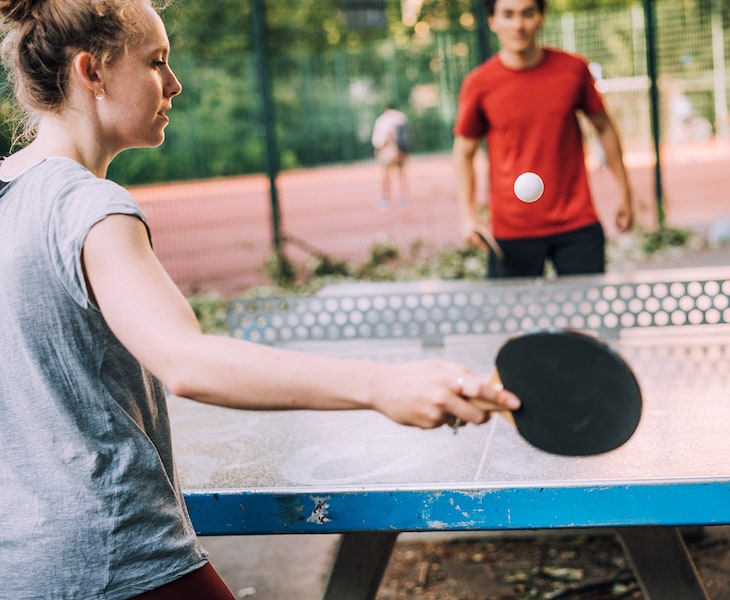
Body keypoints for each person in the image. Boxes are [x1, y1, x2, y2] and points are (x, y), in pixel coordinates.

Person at [0, 1, 520, 598]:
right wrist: (383, 386)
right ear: (91, 72)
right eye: (156, 62)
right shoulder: (91, 208)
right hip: (115, 560)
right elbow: (188, 363)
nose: (174, 83)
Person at [453, 0, 635, 278]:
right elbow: (464, 152)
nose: (518, 24)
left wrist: (625, 193)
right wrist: (468, 215)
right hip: (511, 230)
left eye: (527, 13)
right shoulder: (479, 83)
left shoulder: (573, 69)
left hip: (577, 224)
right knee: (513, 322)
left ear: (540, 17)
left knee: (581, 320)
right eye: (508, 15)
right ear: (493, 21)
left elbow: (604, 126)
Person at [371, 103, 411, 209]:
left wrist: (379, 150)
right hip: (402, 152)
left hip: (387, 151)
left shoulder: (382, 120)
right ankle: (403, 198)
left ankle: (385, 199)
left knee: (385, 175)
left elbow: (378, 140)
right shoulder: (402, 117)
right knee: (401, 174)